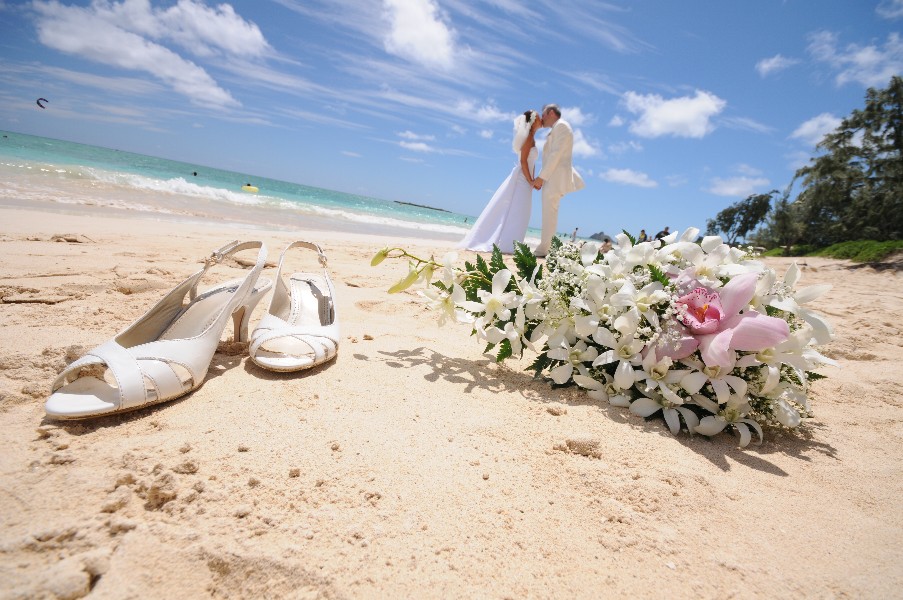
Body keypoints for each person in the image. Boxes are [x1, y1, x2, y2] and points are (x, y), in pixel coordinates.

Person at [459, 110, 542, 253]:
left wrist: (533, 181)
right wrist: (530, 181)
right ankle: (506, 244)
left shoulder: (532, 138)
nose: (541, 119)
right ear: (533, 121)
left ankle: (511, 243)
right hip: (522, 180)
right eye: (539, 117)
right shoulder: (528, 138)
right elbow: (523, 162)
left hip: (527, 181)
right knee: (517, 210)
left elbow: (531, 163)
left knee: (521, 211)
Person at [532, 104, 585, 257]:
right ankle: (546, 248)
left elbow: (556, 154)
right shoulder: (558, 128)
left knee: (550, 212)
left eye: (544, 115)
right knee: (549, 212)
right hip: (553, 176)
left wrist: (541, 177)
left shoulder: (561, 126)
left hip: (554, 177)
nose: (542, 119)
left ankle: (545, 249)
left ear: (552, 113)